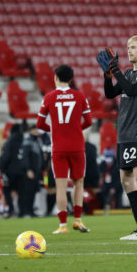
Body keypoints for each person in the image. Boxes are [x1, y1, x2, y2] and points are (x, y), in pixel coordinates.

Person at [99, 35, 137, 240]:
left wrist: (115, 69)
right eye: (127, 47)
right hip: (124, 132)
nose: (128, 51)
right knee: (126, 180)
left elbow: (132, 90)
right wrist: (107, 75)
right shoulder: (127, 73)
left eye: (132, 47)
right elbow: (109, 94)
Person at [37, 64, 93, 234]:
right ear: (71, 78)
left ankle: (62, 225)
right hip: (77, 146)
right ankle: (78, 220)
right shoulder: (80, 96)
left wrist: (56, 130)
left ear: (55, 77)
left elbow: (39, 124)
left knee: (61, 185)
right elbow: (89, 122)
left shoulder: (48, 97)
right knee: (78, 183)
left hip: (59, 147)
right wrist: (75, 129)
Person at [0, 123, 25, 218]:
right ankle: (22, 211)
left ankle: (11, 209)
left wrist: (1, 168)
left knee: (6, 190)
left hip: (9, 170)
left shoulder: (9, 142)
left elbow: (6, 157)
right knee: (20, 191)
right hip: (22, 170)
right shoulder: (24, 141)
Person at [19, 124, 43, 218]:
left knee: (33, 191)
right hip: (30, 170)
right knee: (27, 191)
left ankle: (30, 210)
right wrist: (28, 169)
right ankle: (26, 211)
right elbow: (25, 157)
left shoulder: (37, 140)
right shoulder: (28, 141)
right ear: (30, 131)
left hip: (36, 170)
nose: (36, 131)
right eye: (34, 129)